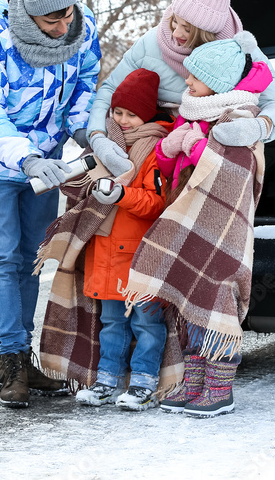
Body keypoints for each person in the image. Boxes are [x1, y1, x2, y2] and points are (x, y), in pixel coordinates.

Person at [0, 0, 101, 408]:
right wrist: (24, 157)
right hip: (0, 165)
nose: (64, 26)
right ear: (28, 15)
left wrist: (84, 132)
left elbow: (84, 86)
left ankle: (25, 360)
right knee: (3, 261)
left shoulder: (82, 29)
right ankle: (11, 361)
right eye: (52, 20)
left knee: (30, 261)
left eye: (68, 15)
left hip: (49, 168)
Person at [122, 30, 273, 418]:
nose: (185, 82)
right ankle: (194, 380)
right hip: (186, 216)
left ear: (218, 83)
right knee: (189, 298)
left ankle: (220, 388)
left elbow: (234, 171)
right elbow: (172, 171)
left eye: (194, 77)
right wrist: (169, 150)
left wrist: (194, 146)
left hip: (221, 225)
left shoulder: (238, 117)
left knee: (216, 295)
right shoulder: (192, 114)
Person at [85, 0, 275, 178]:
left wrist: (259, 127)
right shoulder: (150, 44)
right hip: (155, 143)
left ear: (207, 33)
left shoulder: (241, 54)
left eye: (187, 29)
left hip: (213, 142)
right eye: (175, 21)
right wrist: (97, 136)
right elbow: (110, 89)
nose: (175, 34)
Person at [70, 69, 175, 412]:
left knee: (146, 321)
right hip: (105, 253)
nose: (123, 120)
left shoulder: (155, 151)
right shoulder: (104, 145)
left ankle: (143, 383)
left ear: (148, 114)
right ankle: (106, 381)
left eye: (132, 114)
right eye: (118, 112)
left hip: (139, 256)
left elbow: (156, 203)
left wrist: (119, 195)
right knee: (111, 322)